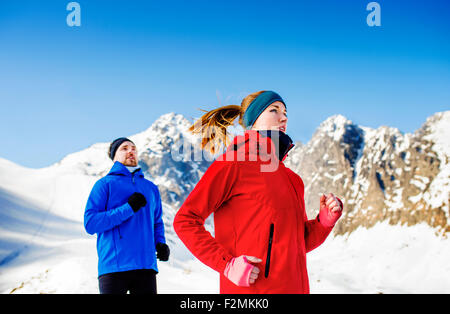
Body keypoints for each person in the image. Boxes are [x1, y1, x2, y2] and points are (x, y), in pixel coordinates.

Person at [173, 90, 343, 294]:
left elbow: (297, 242)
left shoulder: (293, 179)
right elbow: (185, 220)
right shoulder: (235, 163)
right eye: (274, 110)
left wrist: (324, 222)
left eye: (285, 113)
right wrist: (227, 265)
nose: (284, 117)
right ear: (253, 120)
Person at [84, 137, 170, 294]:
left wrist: (160, 243)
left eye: (134, 148)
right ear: (114, 156)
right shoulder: (104, 185)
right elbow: (91, 223)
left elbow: (156, 222)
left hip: (146, 266)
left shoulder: (151, 188)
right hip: (114, 266)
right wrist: (128, 208)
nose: (131, 151)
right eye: (124, 148)